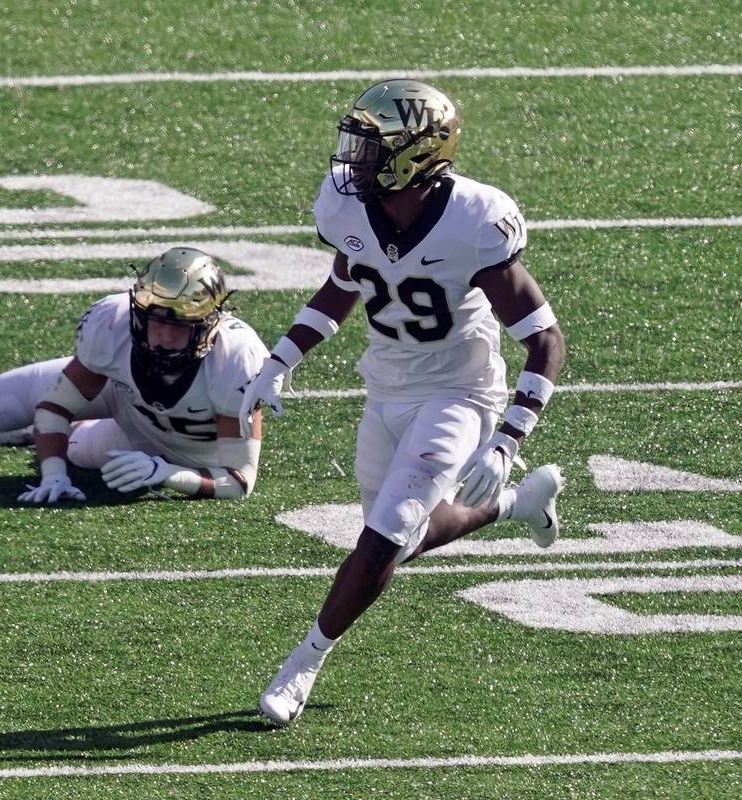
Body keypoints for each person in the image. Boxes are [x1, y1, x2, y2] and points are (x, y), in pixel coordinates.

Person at [242, 80, 567, 726]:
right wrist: (280, 360)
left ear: (415, 157)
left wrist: (507, 438)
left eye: (371, 148)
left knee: (381, 541)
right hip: (385, 388)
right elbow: (343, 285)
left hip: (460, 394)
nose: (352, 162)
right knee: (400, 538)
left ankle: (301, 663)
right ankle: (512, 506)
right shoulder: (348, 208)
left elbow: (545, 341)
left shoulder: (476, 223)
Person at [0, 247, 267, 502]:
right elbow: (55, 405)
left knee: (76, 449)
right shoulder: (113, 324)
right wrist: (53, 476)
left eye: (179, 326)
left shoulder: (235, 360)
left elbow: (238, 481)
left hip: (181, 455)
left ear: (207, 326)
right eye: (156, 321)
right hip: (120, 393)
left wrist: (168, 473)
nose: (164, 337)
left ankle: (47, 433)